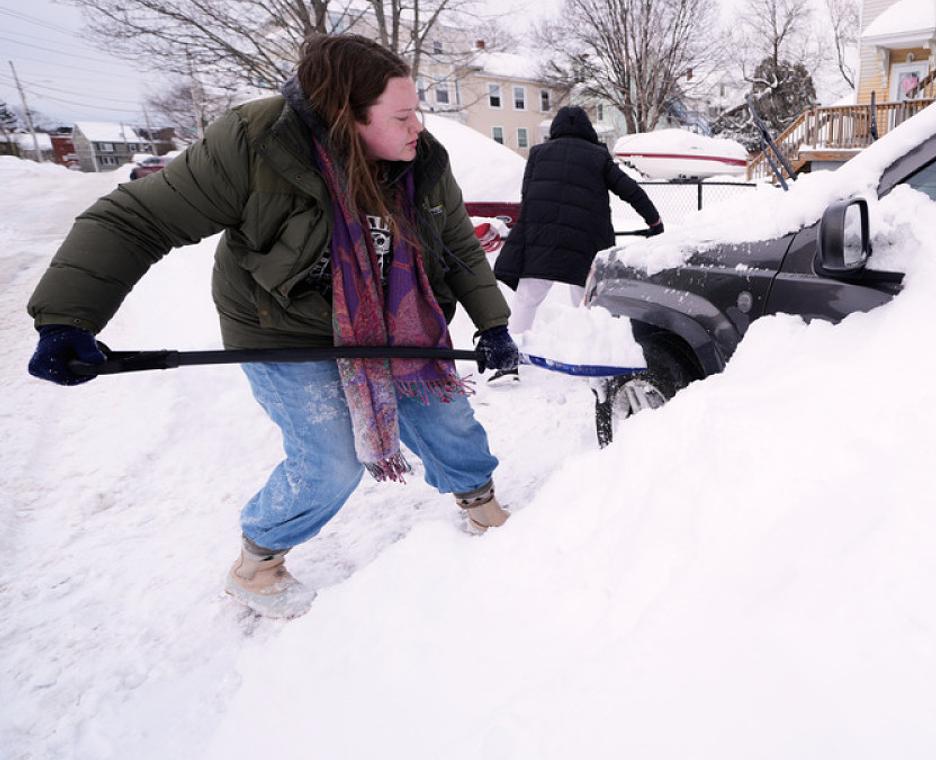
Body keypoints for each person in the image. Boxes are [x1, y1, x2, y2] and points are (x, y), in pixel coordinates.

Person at [25, 34, 521, 619]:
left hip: (393, 320)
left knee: (445, 415)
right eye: (403, 115)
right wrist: (66, 318)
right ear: (346, 117)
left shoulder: (422, 162)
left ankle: (481, 505)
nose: (418, 127)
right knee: (330, 458)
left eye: (418, 112)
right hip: (281, 324)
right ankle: (258, 564)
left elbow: (457, 243)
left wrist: (493, 324)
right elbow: (138, 219)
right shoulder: (255, 142)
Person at [491, 105, 662, 382]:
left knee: (527, 298)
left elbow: (528, 194)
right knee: (585, 301)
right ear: (587, 129)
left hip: (540, 237)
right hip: (585, 241)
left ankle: (509, 361)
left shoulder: (538, 154)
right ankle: (589, 359)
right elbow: (630, 189)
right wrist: (654, 221)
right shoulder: (598, 157)